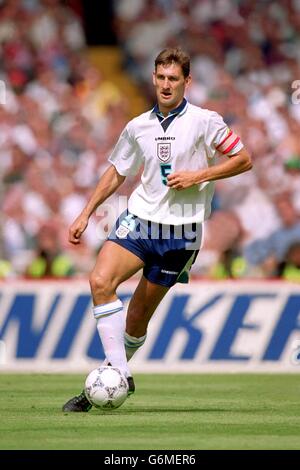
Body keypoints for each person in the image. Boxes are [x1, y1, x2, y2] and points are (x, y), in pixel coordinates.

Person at [62, 47, 252, 412]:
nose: (166, 85)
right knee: (100, 281)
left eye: (174, 79)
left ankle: (114, 370)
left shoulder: (205, 121)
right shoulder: (138, 126)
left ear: (187, 83)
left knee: (135, 320)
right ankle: (117, 374)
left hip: (180, 235)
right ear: (153, 78)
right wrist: (87, 212)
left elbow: (243, 159)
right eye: (161, 78)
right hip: (140, 221)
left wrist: (201, 175)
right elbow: (118, 170)